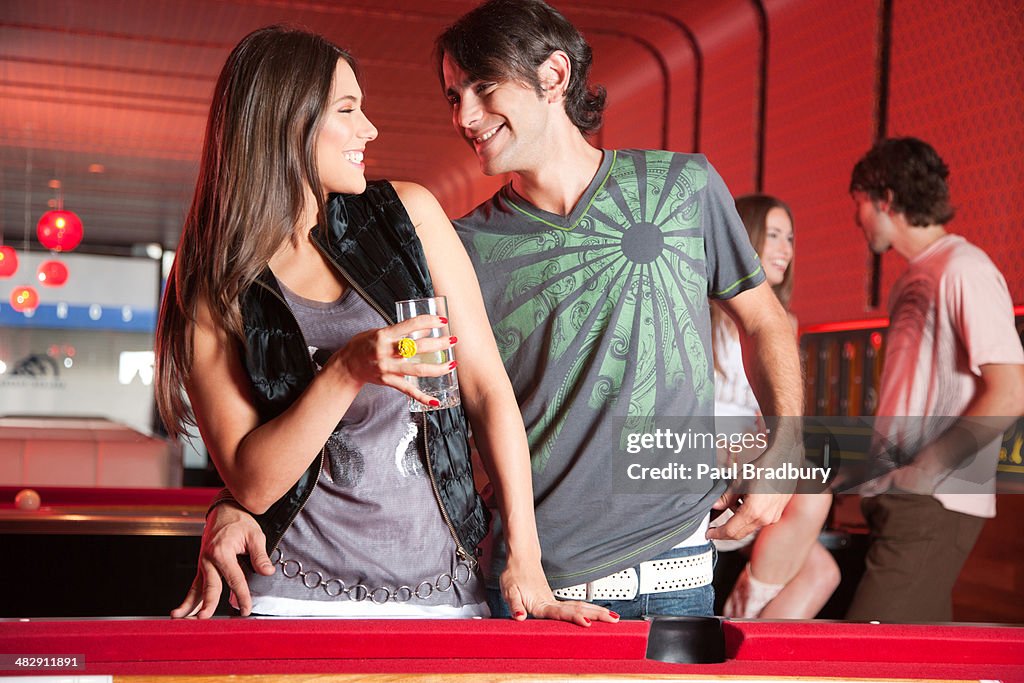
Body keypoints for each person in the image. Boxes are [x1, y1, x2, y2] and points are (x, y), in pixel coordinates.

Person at [183, 0, 803, 620]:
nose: (465, 117)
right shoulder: (455, 243)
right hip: (521, 583)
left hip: (676, 572)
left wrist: (787, 452)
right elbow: (348, 384)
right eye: (454, 97)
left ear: (554, 76)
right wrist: (237, 500)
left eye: (482, 88)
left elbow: (767, 321)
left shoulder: (682, 190)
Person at [157, 25, 614, 625]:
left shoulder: (410, 214)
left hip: (447, 593)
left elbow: (486, 390)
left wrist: (525, 562)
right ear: (284, 123)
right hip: (291, 598)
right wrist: (347, 368)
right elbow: (254, 483)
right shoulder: (213, 280)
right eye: (348, 110)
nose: (369, 129)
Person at [845, 137, 1024, 621]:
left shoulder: (965, 268)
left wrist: (928, 468)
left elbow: (1010, 390)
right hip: (900, 496)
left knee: (869, 659)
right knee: (917, 658)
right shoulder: (912, 277)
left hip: (935, 498)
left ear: (885, 199)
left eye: (860, 204)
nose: (857, 218)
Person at [711, 194, 840, 619]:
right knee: (815, 499)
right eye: (773, 235)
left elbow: (773, 411)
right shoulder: (705, 306)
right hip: (701, 445)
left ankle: (742, 626)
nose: (786, 248)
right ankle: (743, 625)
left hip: (751, 448)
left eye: (790, 237)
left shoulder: (786, 321)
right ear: (744, 238)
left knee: (823, 572)